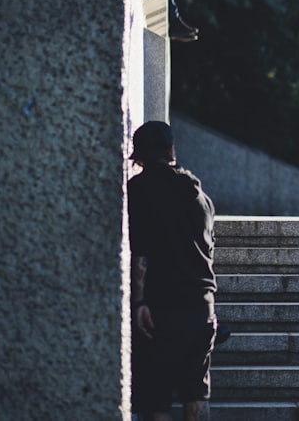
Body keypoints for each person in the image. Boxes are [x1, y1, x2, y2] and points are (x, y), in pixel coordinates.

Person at [128, 121, 217, 421]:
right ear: (170, 150)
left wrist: (139, 301)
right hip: (202, 307)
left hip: (162, 307)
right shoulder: (200, 196)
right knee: (196, 391)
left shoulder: (138, 189)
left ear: (139, 157)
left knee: (157, 397)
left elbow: (140, 250)